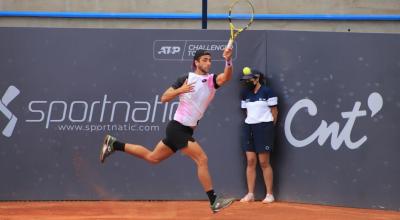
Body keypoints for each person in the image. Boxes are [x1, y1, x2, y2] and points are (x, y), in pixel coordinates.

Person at [99, 48, 234, 213]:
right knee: (202, 159)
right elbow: (164, 98)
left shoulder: (212, 80)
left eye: (209, 60)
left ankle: (114, 144)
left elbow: (226, 76)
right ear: (196, 62)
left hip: (185, 131)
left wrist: (228, 60)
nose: (208, 63)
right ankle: (214, 201)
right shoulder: (185, 79)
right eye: (204, 60)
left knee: (152, 158)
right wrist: (180, 90)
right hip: (177, 129)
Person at [239, 67, 278, 203]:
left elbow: (274, 111)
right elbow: (246, 112)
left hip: (264, 127)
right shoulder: (245, 93)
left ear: (256, 79)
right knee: (250, 161)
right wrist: (252, 122)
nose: (247, 82)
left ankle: (269, 194)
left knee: (264, 162)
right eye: (245, 80)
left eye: (249, 79)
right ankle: (250, 194)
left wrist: (268, 128)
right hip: (248, 127)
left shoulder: (268, 91)